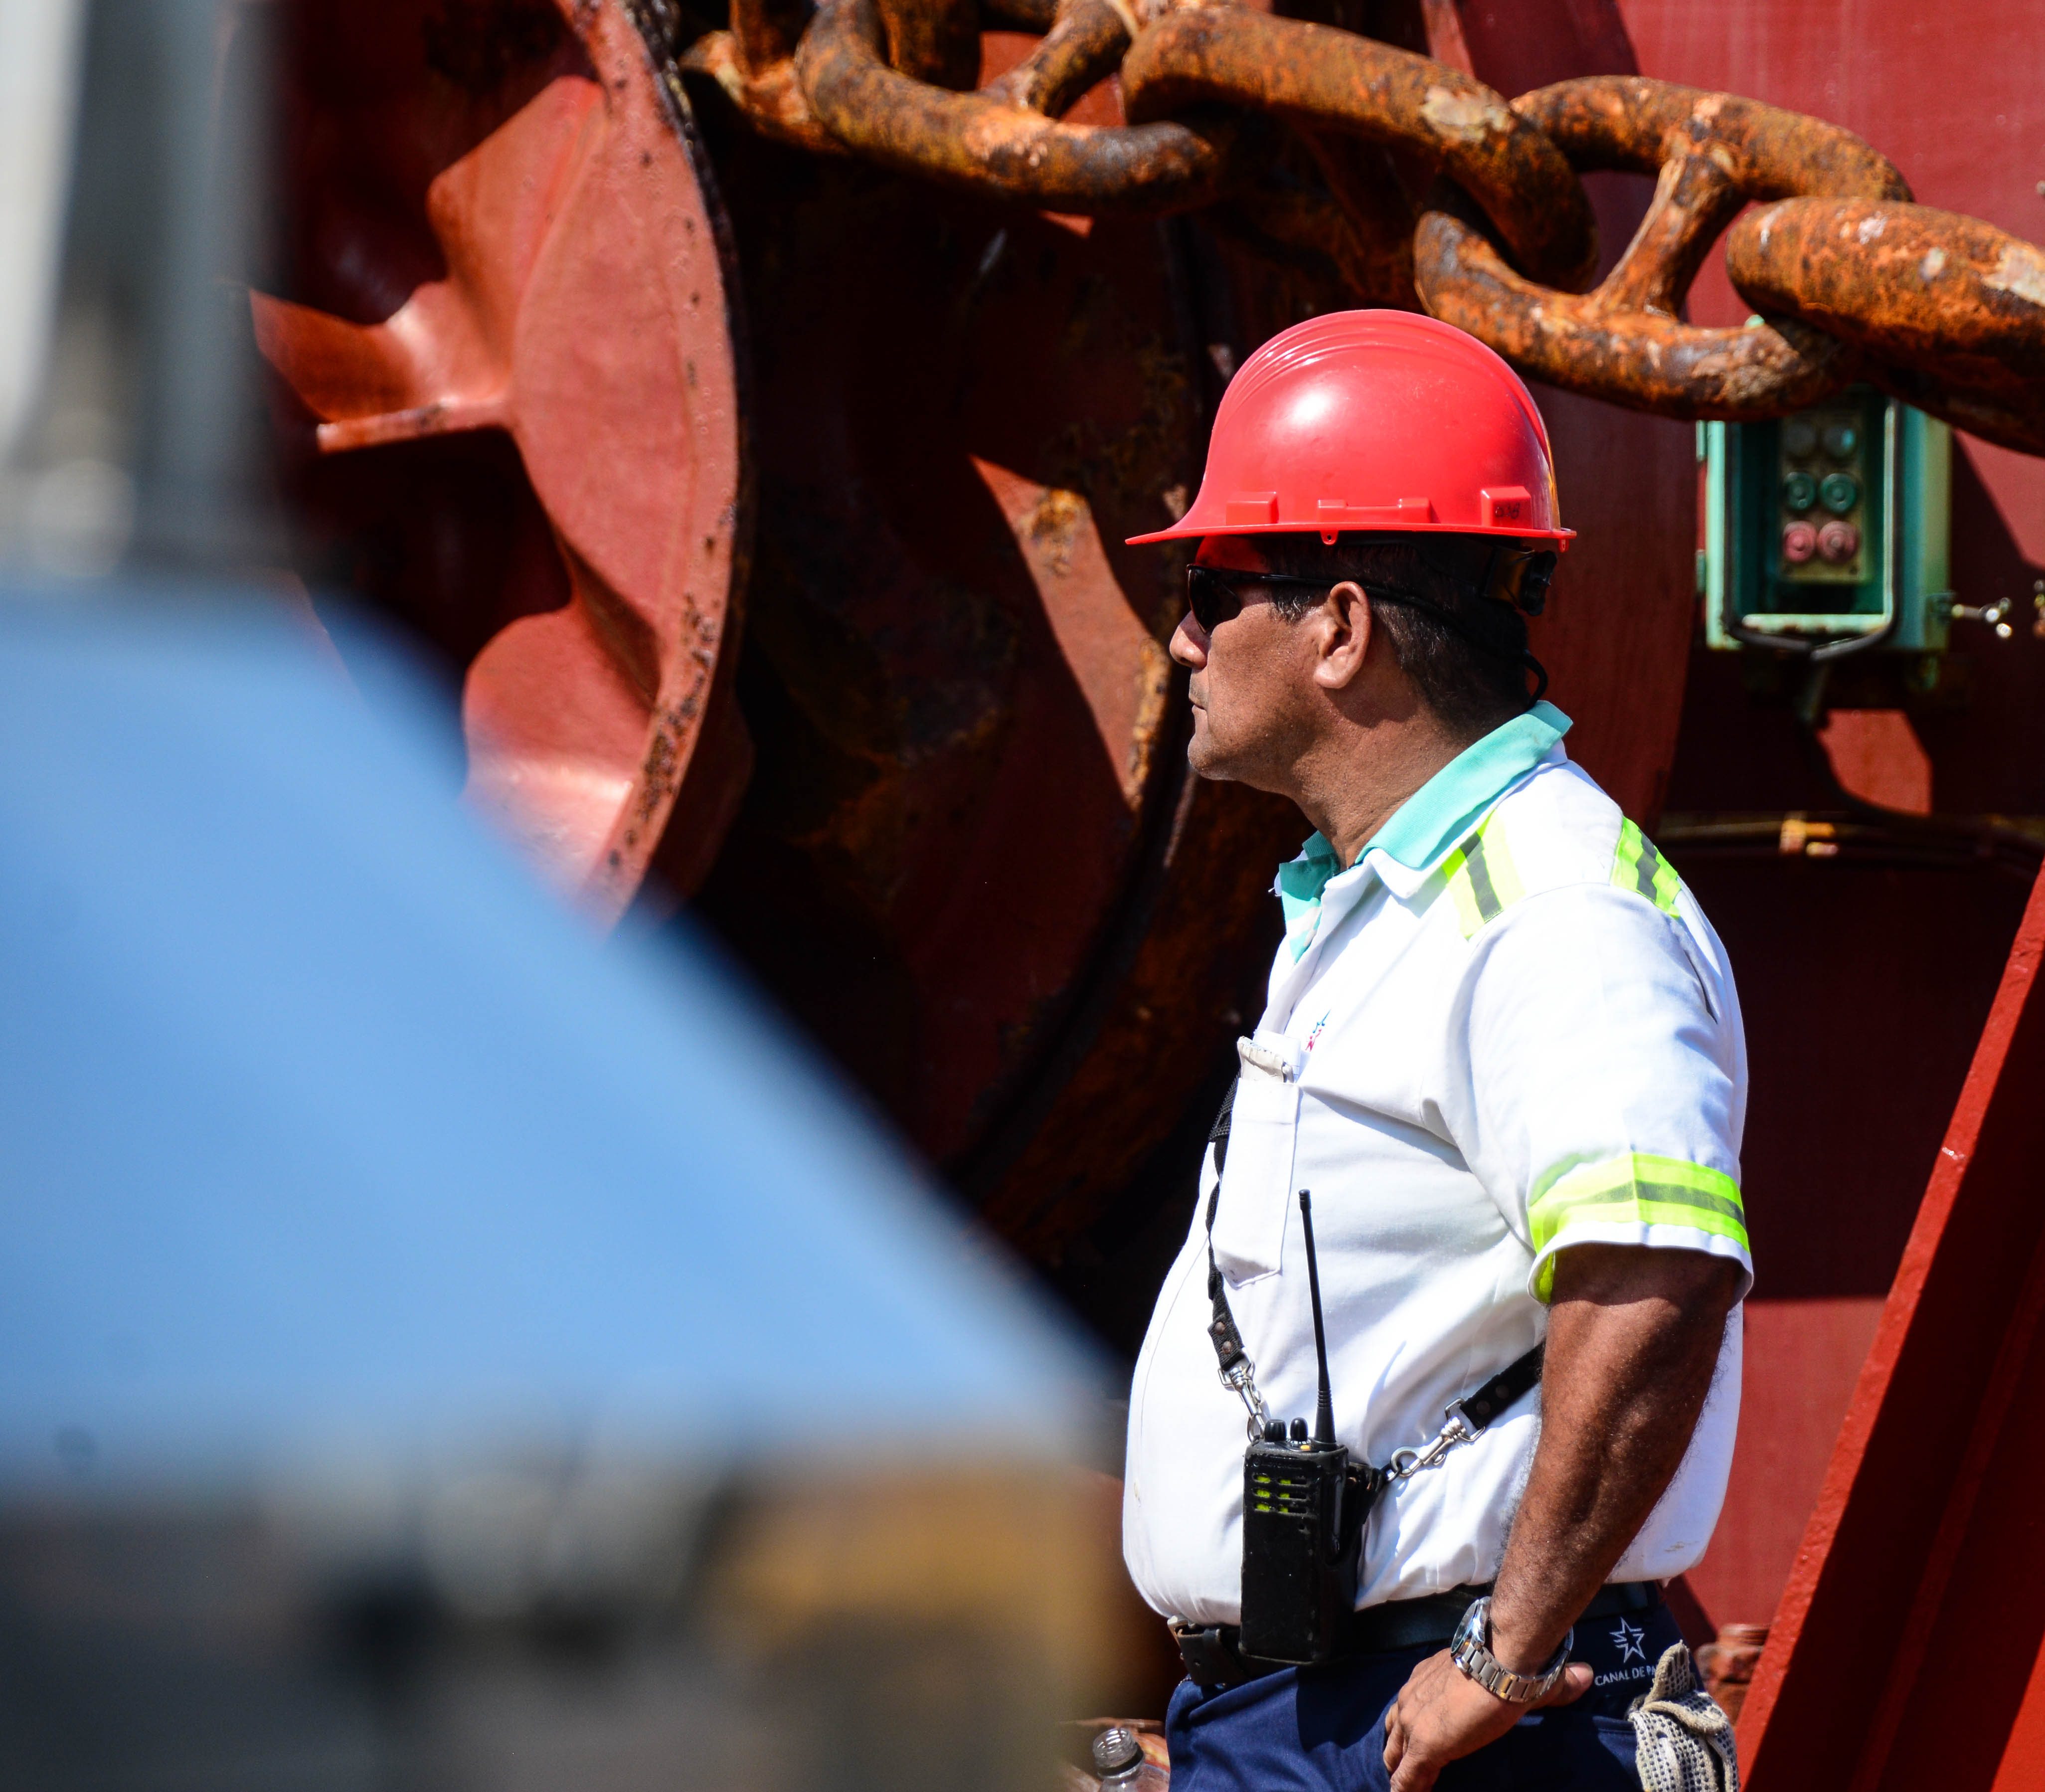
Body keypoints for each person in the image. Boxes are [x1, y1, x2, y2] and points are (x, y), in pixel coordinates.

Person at [1117, 311, 1749, 1792]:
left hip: (1445, 1729)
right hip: (1328, 1713)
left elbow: (1654, 1278)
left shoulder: (1553, 910)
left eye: (1213, 591)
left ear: (1340, 629)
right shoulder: (1396, 904)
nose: (1185, 639)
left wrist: (1502, 1657)